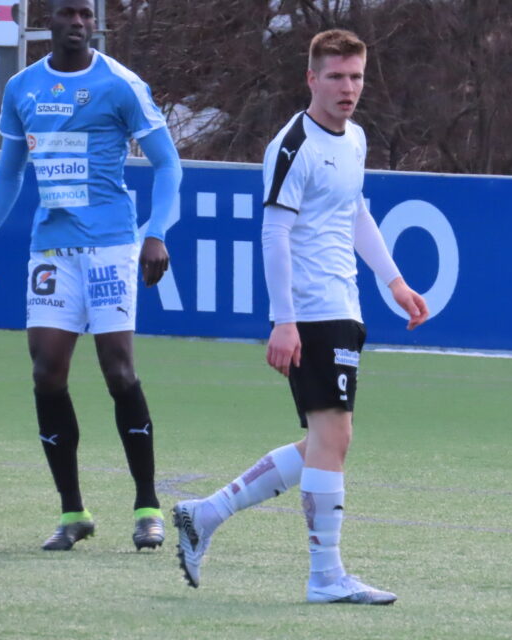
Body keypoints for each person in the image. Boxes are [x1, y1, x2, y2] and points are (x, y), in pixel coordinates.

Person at [172, 29, 429, 605]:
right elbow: (274, 233)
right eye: (335, 76)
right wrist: (283, 319)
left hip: (345, 305)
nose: (347, 88)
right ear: (311, 78)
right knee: (334, 437)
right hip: (312, 310)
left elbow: (355, 213)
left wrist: (395, 282)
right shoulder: (294, 146)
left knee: (322, 441)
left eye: (355, 76)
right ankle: (325, 576)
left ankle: (204, 514)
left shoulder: (355, 138)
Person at [0, 0, 182, 551]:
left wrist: (156, 233)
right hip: (51, 250)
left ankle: (147, 506)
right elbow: (9, 174)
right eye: (67, 13)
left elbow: (168, 162)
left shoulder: (121, 84)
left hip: (110, 246)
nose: (78, 22)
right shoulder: (22, 89)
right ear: (49, 20)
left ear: (94, 23)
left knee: (119, 372)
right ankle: (73, 512)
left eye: (86, 13)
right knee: (46, 373)